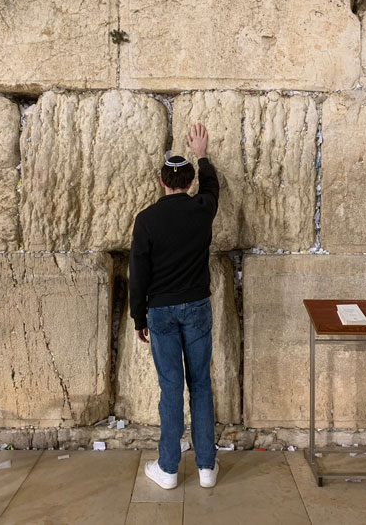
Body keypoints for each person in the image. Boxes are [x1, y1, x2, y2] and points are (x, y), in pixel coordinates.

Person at [129, 122, 220, 490]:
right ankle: (206, 469)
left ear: (162, 180)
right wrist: (202, 153)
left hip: (161, 312)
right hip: (197, 307)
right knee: (200, 384)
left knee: (171, 388)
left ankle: (167, 469)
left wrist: (139, 317)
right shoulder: (202, 209)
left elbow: (139, 273)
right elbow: (212, 187)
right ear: (188, 181)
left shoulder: (147, 220)